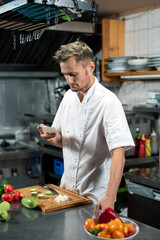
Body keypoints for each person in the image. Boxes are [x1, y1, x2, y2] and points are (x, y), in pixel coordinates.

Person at [37, 41, 134, 219]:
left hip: (95, 196)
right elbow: (62, 141)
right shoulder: (68, 97)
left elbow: (118, 152)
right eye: (65, 75)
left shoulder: (108, 102)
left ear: (90, 66)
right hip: (67, 192)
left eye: (73, 75)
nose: (69, 81)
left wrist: (110, 197)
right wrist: (50, 136)